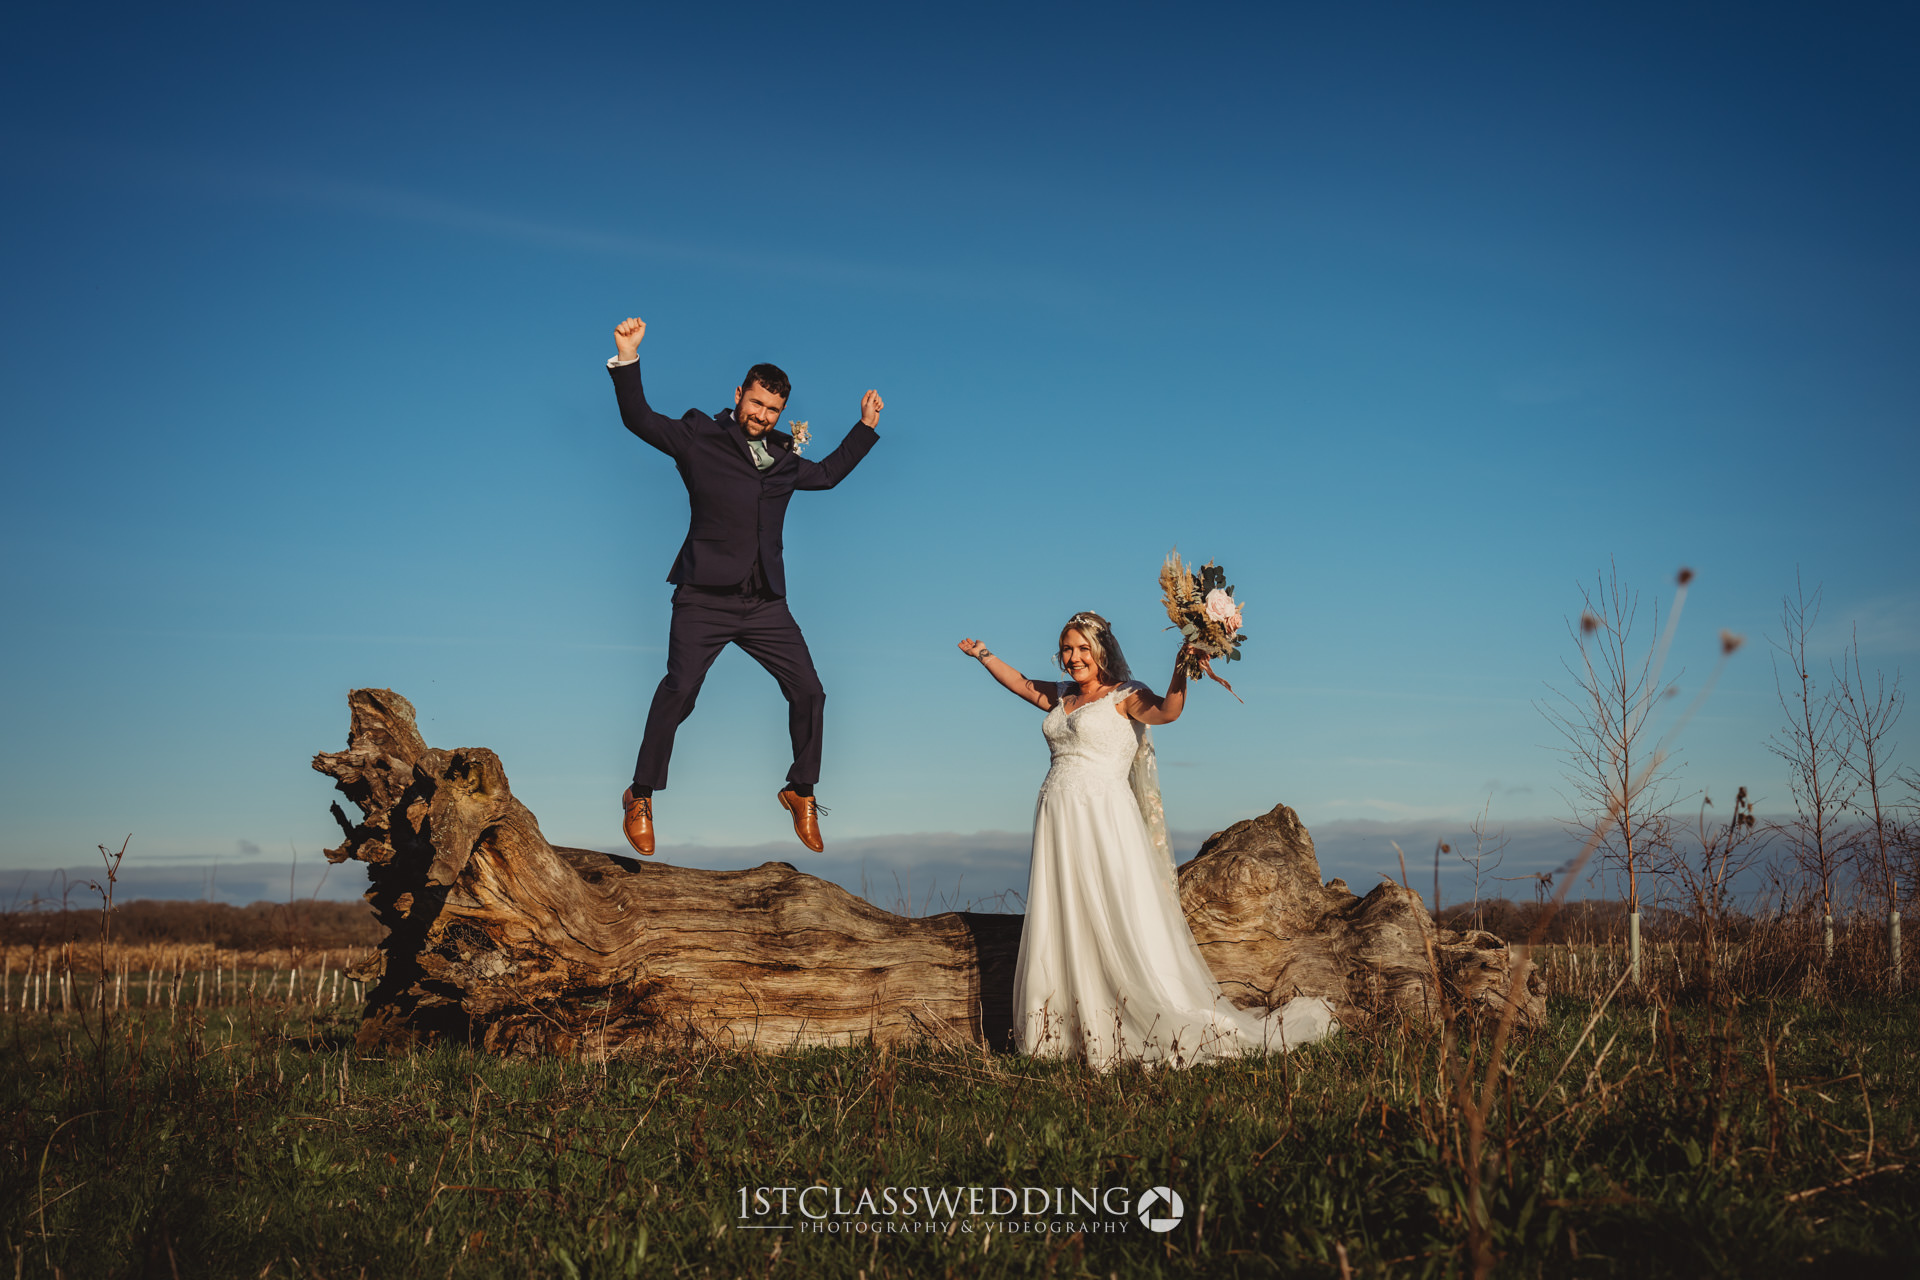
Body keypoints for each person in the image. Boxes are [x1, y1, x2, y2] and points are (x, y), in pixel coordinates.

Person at [958, 612, 1336, 1068]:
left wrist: (1182, 668)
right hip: (1058, 819)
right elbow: (1020, 684)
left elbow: (1168, 711)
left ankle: (1127, 1017)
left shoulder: (1126, 694)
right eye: (1066, 648)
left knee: (1111, 909)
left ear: (1100, 651)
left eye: (1082, 648)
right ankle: (1062, 1030)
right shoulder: (1063, 696)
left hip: (1103, 818)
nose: (1073, 657)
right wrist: (983, 655)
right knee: (1064, 913)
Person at [607, 314, 884, 856]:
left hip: (764, 604)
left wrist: (865, 429)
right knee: (680, 690)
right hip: (703, 597)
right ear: (739, 395)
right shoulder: (698, 436)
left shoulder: (784, 458)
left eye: (773, 409)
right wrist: (627, 357)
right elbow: (638, 418)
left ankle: (800, 790)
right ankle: (640, 794)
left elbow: (826, 475)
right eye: (756, 403)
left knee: (810, 691)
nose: (762, 415)